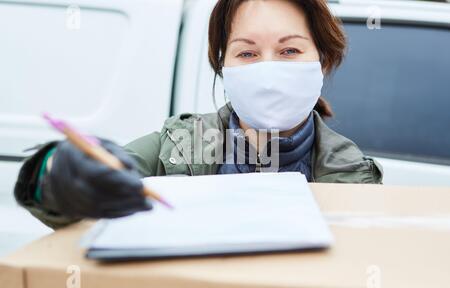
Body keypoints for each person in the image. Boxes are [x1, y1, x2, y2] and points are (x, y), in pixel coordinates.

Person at [14, 0, 383, 229]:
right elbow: (70, 196)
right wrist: (55, 171)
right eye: (247, 53)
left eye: (288, 51)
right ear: (223, 68)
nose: (268, 70)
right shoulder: (172, 149)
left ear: (323, 60)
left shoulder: (355, 178)